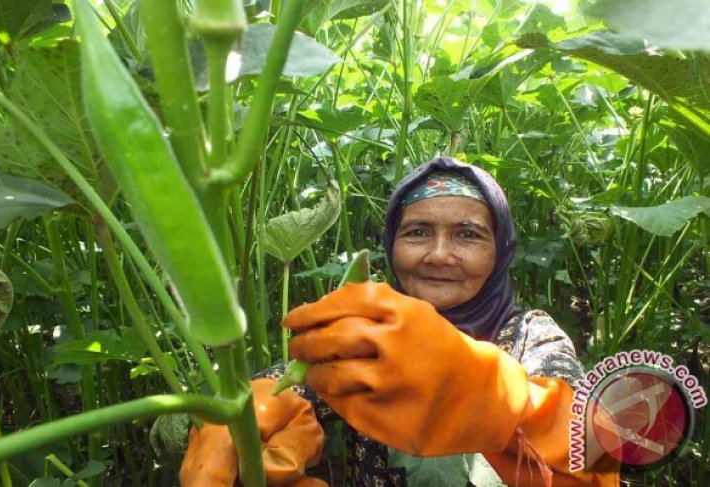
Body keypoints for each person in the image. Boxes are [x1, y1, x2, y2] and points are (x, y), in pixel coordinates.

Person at [179, 157, 620, 486]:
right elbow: (295, 383)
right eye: (417, 232)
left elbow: (593, 455)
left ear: (500, 251)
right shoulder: (368, 330)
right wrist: (252, 409)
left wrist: (481, 391)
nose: (439, 254)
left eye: (468, 234)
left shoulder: (530, 336)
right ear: (392, 245)